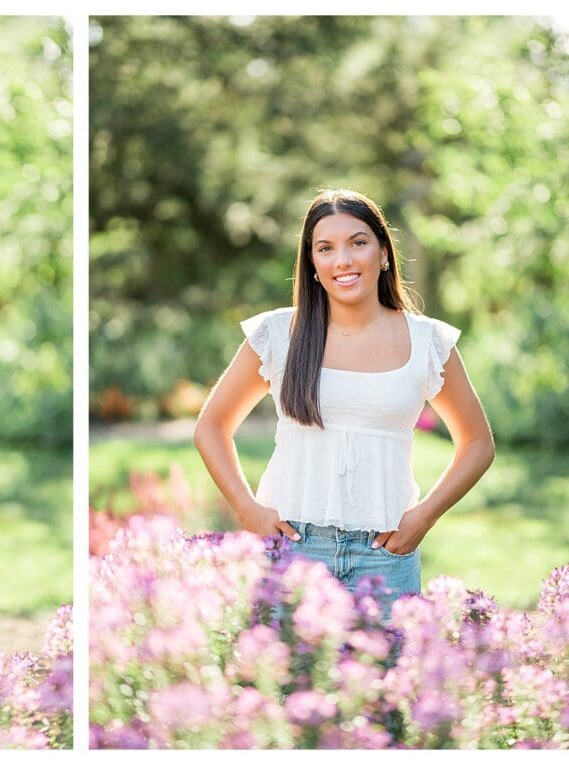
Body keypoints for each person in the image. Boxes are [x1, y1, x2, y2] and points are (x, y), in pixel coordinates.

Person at [194, 188, 495, 618]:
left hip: (385, 555)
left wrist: (423, 518)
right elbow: (212, 426)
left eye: (358, 242)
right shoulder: (279, 335)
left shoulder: (428, 342)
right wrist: (246, 509)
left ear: (384, 253)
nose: (343, 261)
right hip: (291, 551)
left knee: (386, 686)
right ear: (312, 264)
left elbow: (478, 444)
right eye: (326, 248)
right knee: (285, 685)